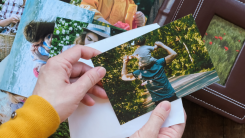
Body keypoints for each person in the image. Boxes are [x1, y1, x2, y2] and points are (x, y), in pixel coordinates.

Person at [0, 45, 186, 137]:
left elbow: (174, 55)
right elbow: (125, 77)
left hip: (166, 99)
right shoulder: (142, 70)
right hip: (157, 104)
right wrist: (124, 62)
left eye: (141, 58)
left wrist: (161, 45)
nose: (140, 61)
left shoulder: (157, 63)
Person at [121, 41, 178, 106]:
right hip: (171, 96)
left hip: (158, 101)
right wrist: (162, 45)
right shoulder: (159, 63)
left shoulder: (140, 73)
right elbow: (174, 54)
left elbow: (124, 77)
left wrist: (125, 63)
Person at [80, 0, 146, 27]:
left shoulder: (131, 4)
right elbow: (85, 6)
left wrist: (140, 21)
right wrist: (98, 19)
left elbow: (130, 28)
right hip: (92, 35)